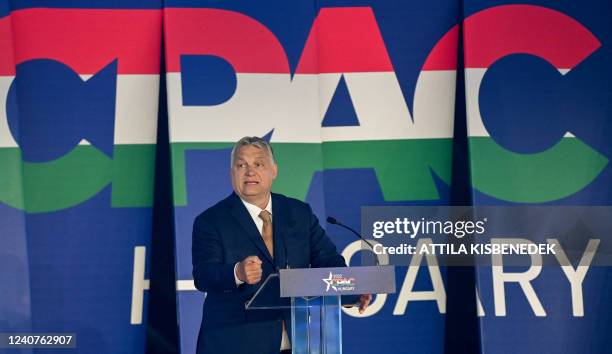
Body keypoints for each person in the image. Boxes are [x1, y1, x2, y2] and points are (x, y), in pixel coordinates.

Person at [192, 136, 371, 354]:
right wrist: (237, 272)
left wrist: (351, 291)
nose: (250, 171)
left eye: (258, 164)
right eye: (241, 165)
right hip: (238, 344)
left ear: (273, 171)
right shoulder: (211, 221)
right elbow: (204, 275)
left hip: (301, 343)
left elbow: (329, 260)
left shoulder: (299, 213)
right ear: (232, 174)